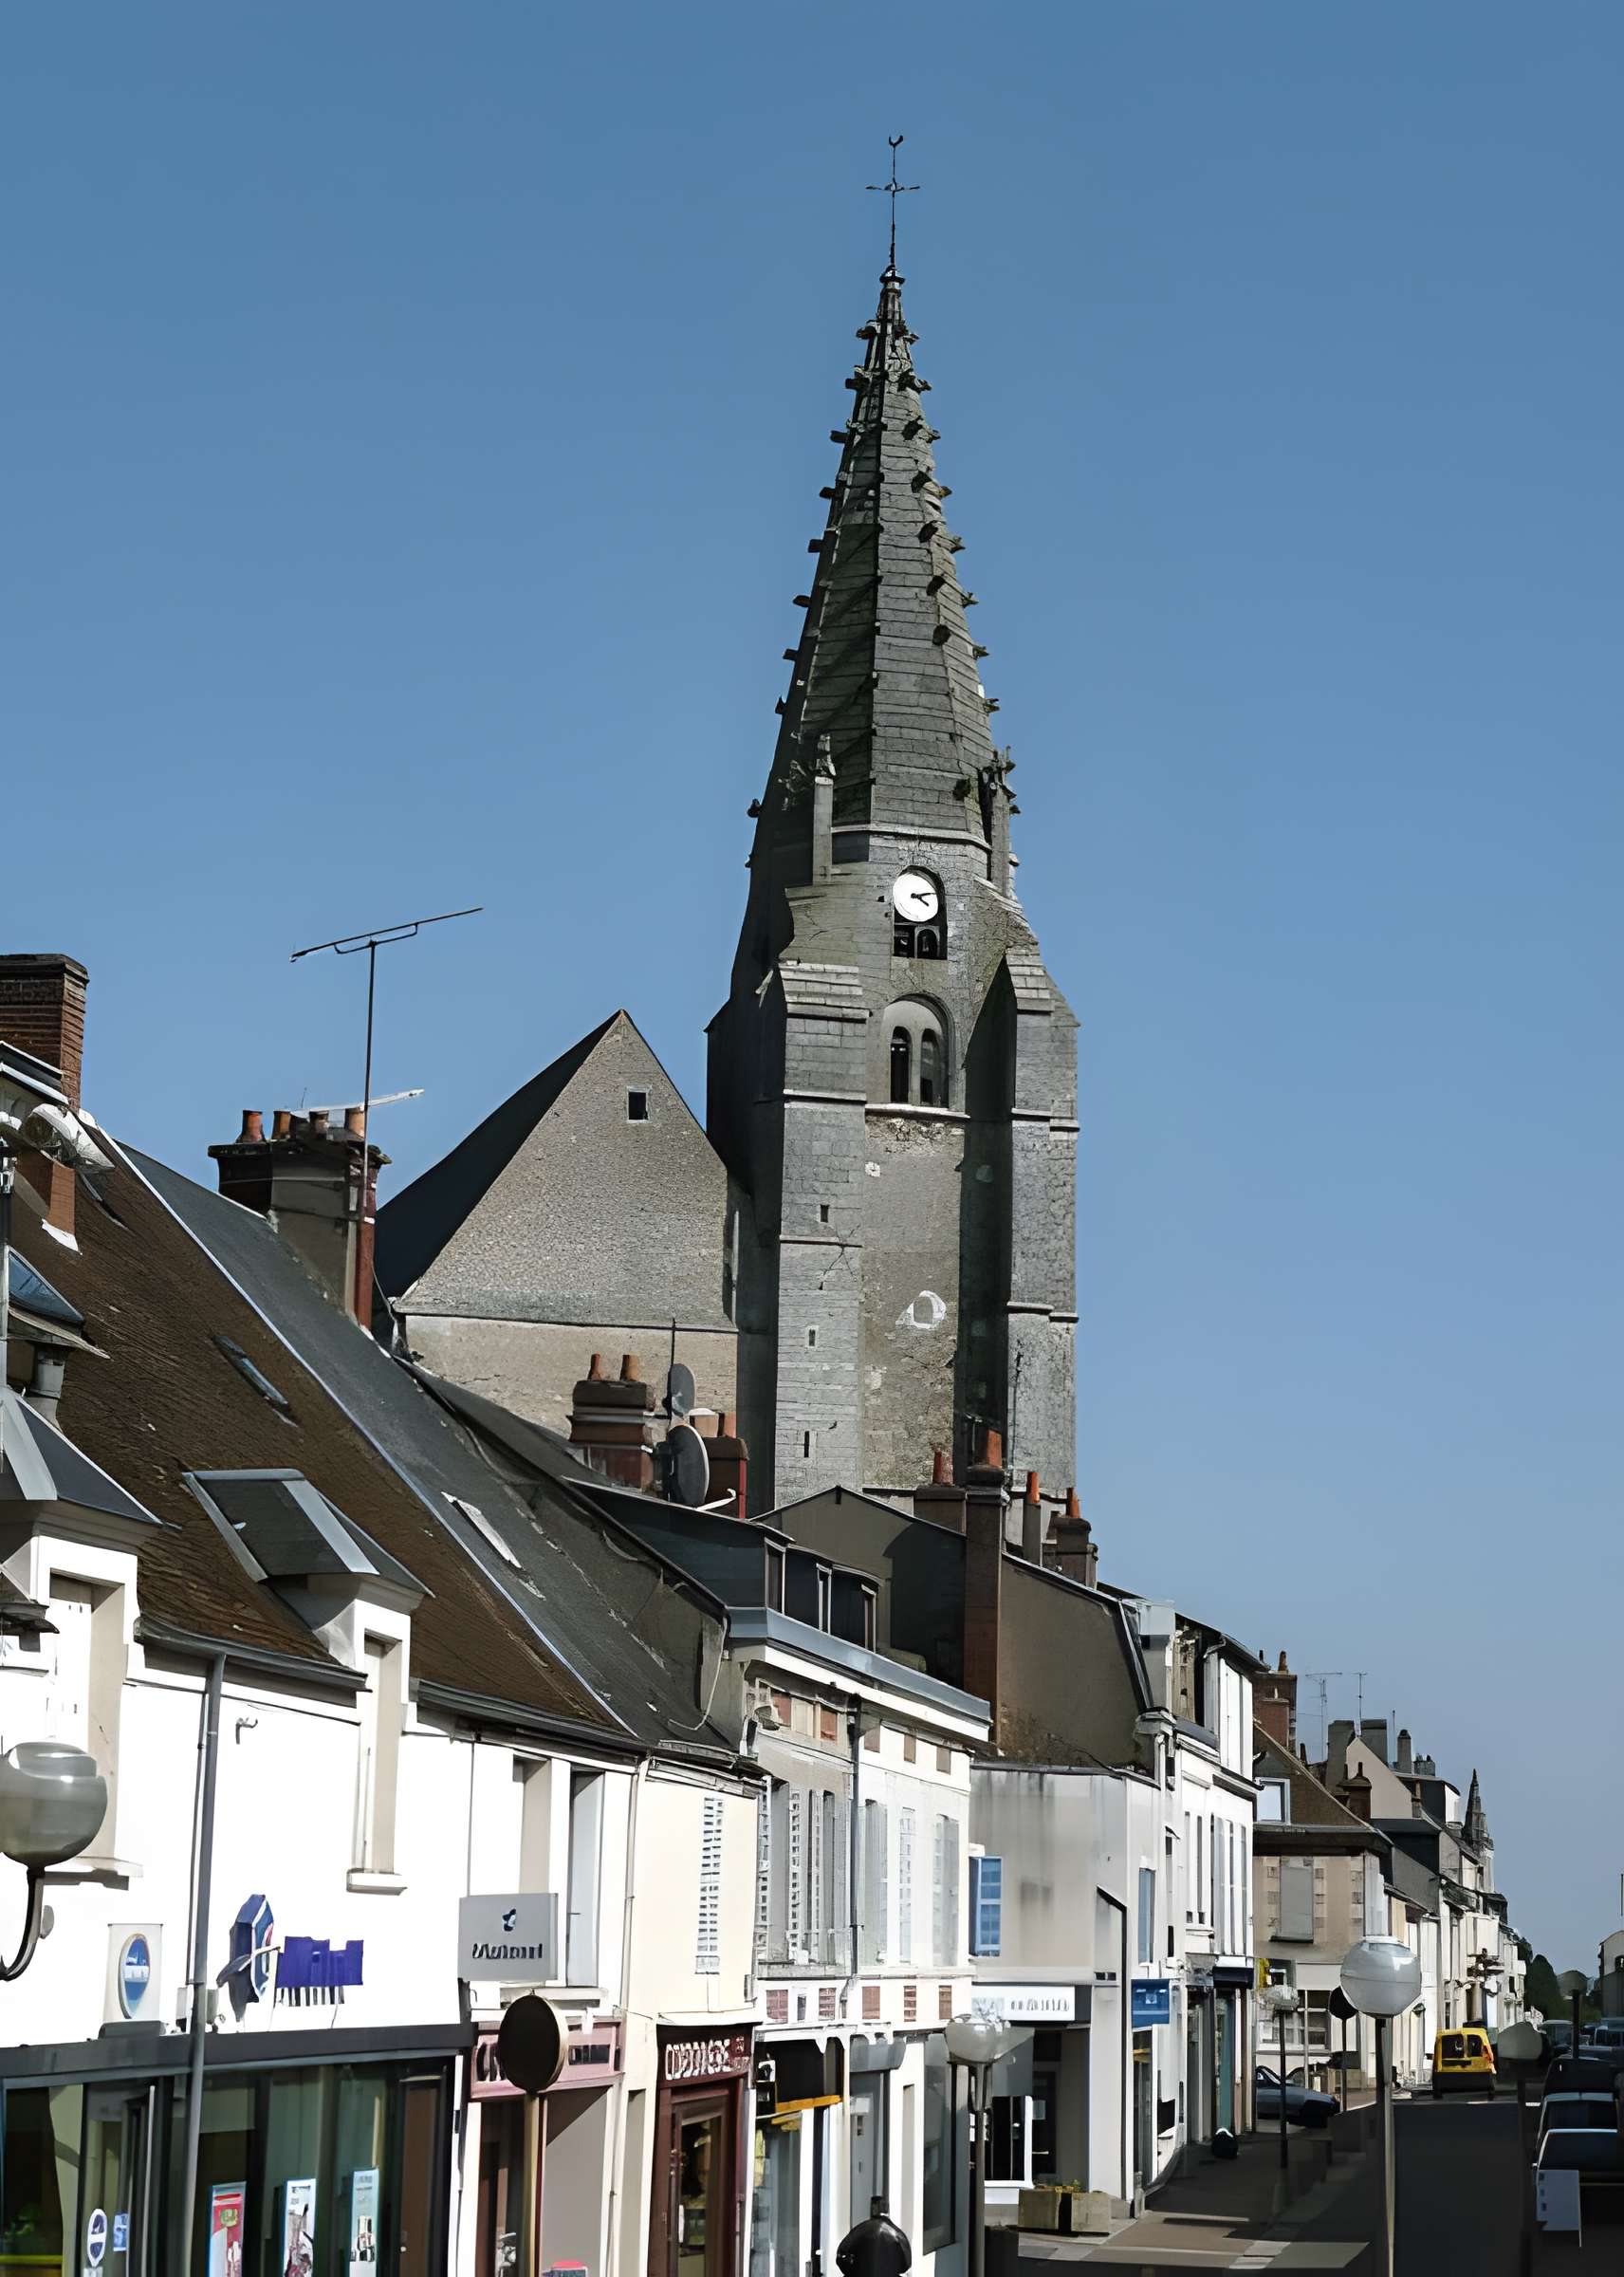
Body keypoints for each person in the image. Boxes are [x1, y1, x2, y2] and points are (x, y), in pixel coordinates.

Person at [835, 2198, 911, 2277]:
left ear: (873, 2209)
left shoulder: (860, 2230)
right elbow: (906, 2265)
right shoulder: (897, 2234)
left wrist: (854, 2271)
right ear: (887, 2209)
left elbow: (841, 2256)